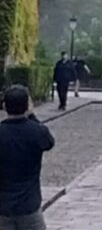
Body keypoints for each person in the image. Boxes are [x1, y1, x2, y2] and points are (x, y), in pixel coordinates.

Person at [0, 85, 55, 230]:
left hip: (3, 206)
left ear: (4, 106)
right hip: (29, 204)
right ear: (27, 105)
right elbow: (49, 142)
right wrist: (32, 115)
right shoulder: (37, 132)